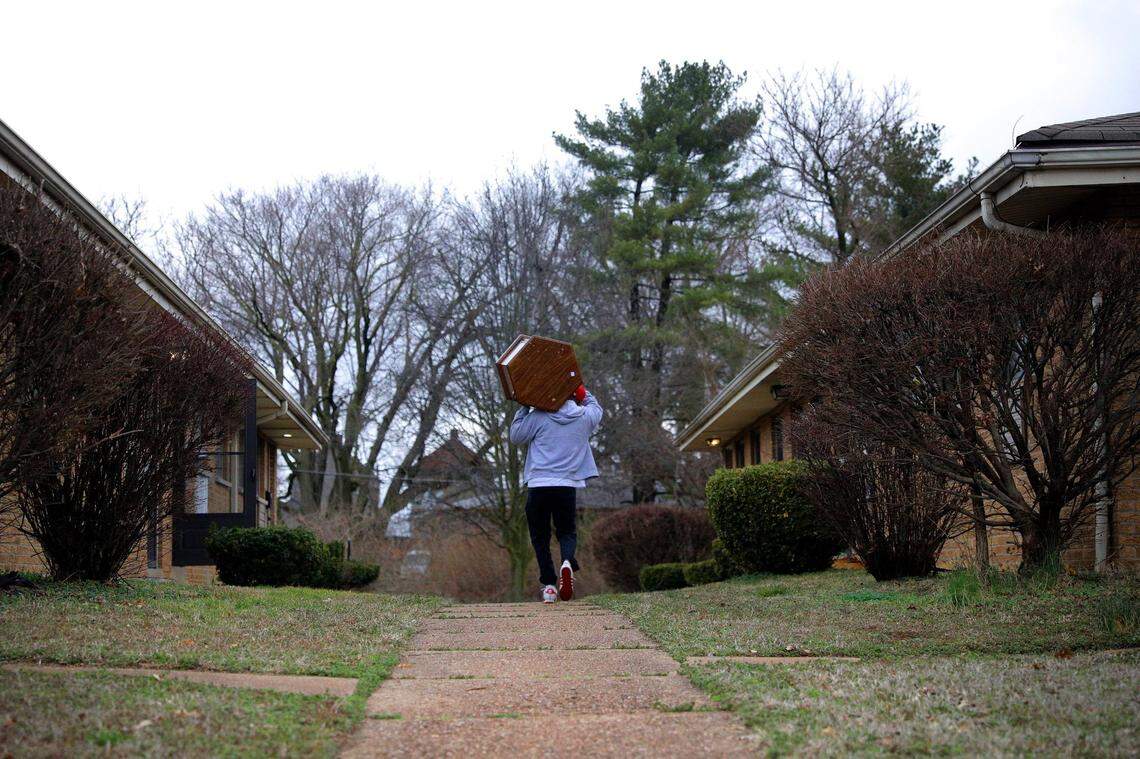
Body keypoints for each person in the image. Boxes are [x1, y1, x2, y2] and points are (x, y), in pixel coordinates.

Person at [509, 383, 602, 603]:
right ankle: (567, 562)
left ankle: (549, 586)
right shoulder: (584, 417)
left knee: (539, 536)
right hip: (567, 485)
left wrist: (525, 405)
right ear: (573, 396)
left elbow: (515, 436)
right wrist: (579, 388)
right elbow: (596, 406)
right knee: (567, 532)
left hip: (539, 484)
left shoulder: (538, 417)